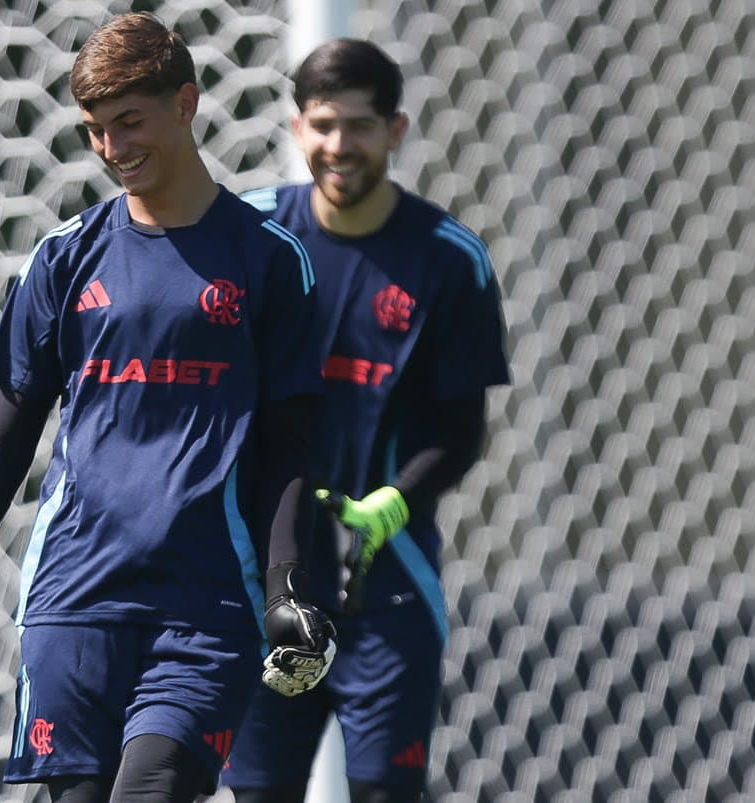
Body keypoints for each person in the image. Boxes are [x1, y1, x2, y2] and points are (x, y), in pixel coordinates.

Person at [0, 13, 337, 803]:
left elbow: (291, 445)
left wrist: (289, 588)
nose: (112, 148)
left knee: (154, 789)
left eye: (130, 121)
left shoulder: (271, 262)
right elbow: (4, 431)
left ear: (187, 103)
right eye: (95, 129)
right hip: (73, 600)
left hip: (206, 608)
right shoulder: (63, 258)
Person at [220, 39, 511, 803]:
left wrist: (397, 499)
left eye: (359, 125)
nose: (338, 146)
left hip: (388, 585)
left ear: (397, 130)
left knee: (385, 791)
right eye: (322, 125)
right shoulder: (250, 237)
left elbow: (460, 429)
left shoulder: (450, 259)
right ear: (296, 129)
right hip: (265, 582)